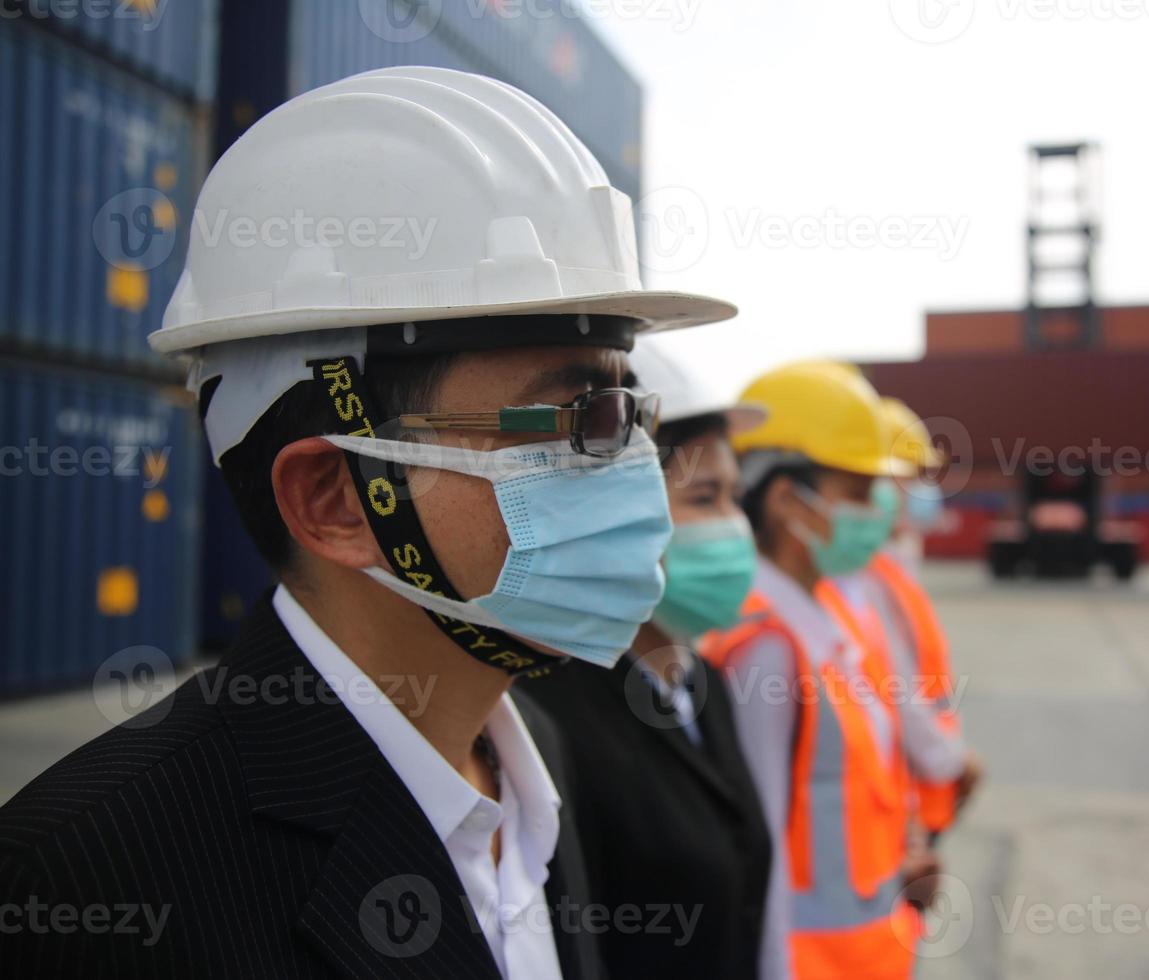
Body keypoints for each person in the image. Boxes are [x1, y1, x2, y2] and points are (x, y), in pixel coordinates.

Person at [0, 67, 735, 978]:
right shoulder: (72, 889)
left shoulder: (535, 760)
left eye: (633, 413)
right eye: (583, 419)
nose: (636, 471)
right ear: (336, 500)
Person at [521, 337, 772, 979]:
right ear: (621, 508)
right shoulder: (548, 714)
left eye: (734, 498)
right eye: (704, 498)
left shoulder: (702, 680)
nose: (735, 528)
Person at [701, 362, 923, 980]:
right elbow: (761, 848)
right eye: (856, 492)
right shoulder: (765, 644)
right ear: (785, 502)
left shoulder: (822, 616)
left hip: (872, 949)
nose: (875, 512)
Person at [818, 396, 984, 846]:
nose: (919, 487)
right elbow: (896, 691)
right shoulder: (862, 574)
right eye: (908, 473)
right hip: (910, 793)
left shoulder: (891, 564)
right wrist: (948, 761)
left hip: (915, 791)